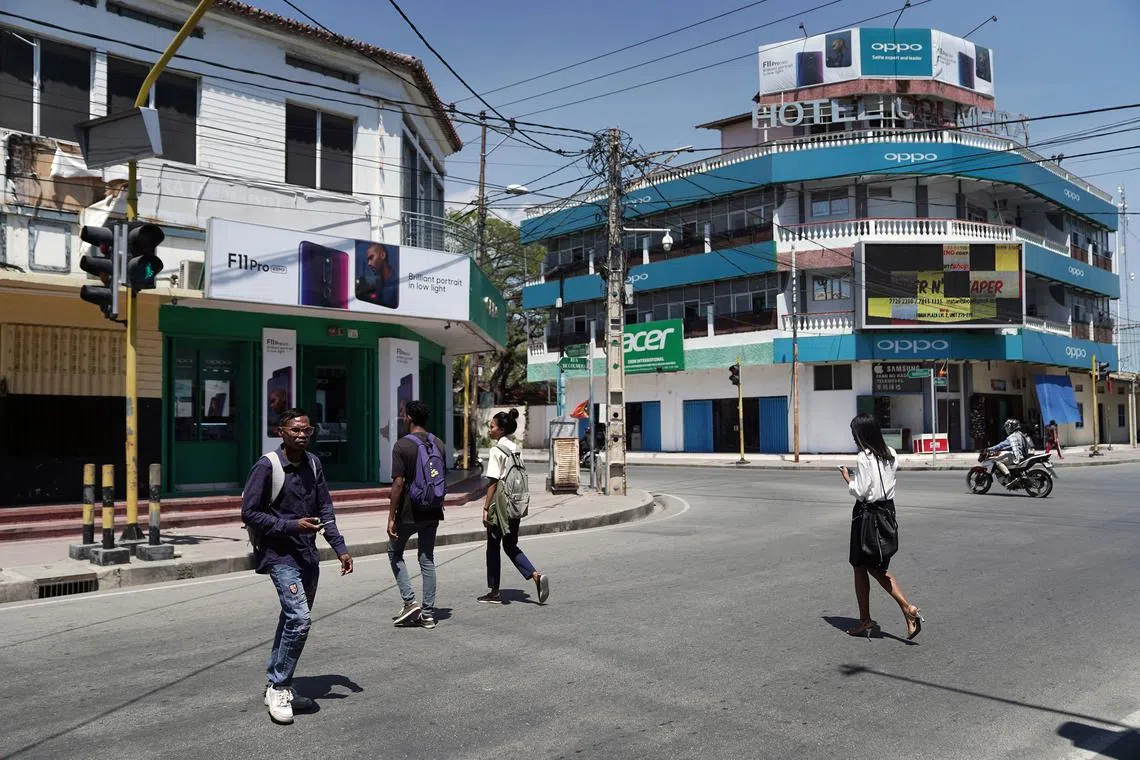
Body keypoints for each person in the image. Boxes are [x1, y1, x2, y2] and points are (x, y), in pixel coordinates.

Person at [241, 408, 353, 724]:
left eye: (307, 430)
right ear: (281, 432)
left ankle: (279, 682)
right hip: (279, 555)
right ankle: (279, 686)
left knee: (291, 619)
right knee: (300, 619)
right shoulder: (268, 467)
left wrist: (340, 548)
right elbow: (249, 513)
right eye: (295, 430)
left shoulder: (314, 464)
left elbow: (325, 510)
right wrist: (292, 526)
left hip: (307, 555)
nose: (302, 435)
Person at [839, 414, 924, 640]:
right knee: (876, 566)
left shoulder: (864, 458)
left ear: (861, 434)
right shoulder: (891, 454)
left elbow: (864, 491)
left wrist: (848, 480)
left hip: (867, 515)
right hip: (887, 512)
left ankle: (904, 609)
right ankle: (896, 613)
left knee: (862, 567)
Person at [478, 409, 550, 605]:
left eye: (491, 427)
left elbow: (493, 482)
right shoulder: (516, 448)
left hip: (500, 505)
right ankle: (535, 575)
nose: (489, 430)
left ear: (501, 430)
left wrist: (485, 509)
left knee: (493, 546)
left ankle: (494, 592)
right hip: (515, 502)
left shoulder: (496, 451)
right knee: (510, 545)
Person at [387, 399, 444, 629]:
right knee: (427, 559)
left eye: (403, 415)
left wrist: (391, 516)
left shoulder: (402, 446)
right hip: (433, 510)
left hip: (409, 512)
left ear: (409, 418)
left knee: (394, 552)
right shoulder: (438, 443)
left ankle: (410, 601)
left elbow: (398, 484)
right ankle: (428, 614)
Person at [988, 418, 1030, 484]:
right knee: (1006, 455)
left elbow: (1001, 445)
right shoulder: (1021, 434)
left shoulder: (1012, 436)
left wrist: (991, 449)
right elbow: (1015, 446)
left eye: (1007, 427)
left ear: (1011, 427)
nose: (1006, 429)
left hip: (1018, 457)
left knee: (996, 462)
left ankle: (1008, 476)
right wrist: (1004, 449)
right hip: (1025, 456)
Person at [356, 243, 398, 308]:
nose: (369, 263)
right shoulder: (377, 283)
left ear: (383, 255)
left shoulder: (397, 283)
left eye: (371, 258)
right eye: (368, 260)